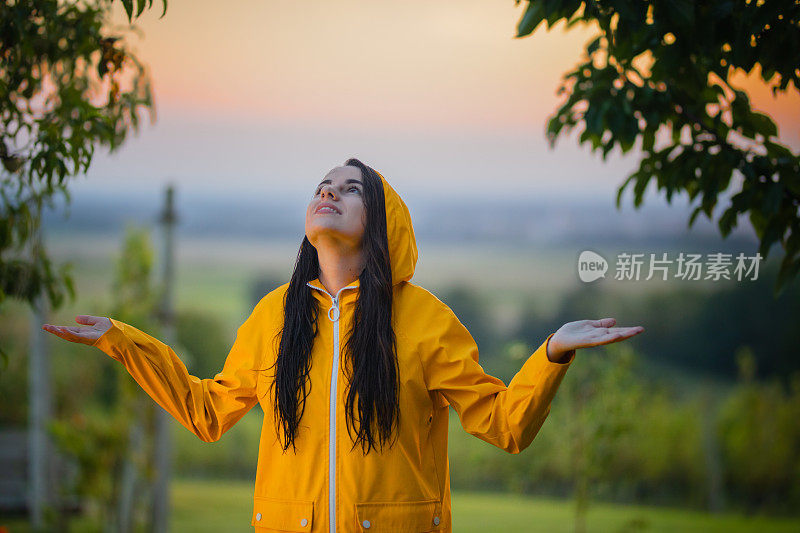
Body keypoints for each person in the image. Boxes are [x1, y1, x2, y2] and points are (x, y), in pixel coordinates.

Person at [43, 158, 644, 532]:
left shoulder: (427, 320)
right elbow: (207, 412)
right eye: (322, 185)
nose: (328, 192)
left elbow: (505, 425)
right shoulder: (274, 316)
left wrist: (553, 353)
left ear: (380, 223)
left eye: (349, 189)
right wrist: (123, 342)